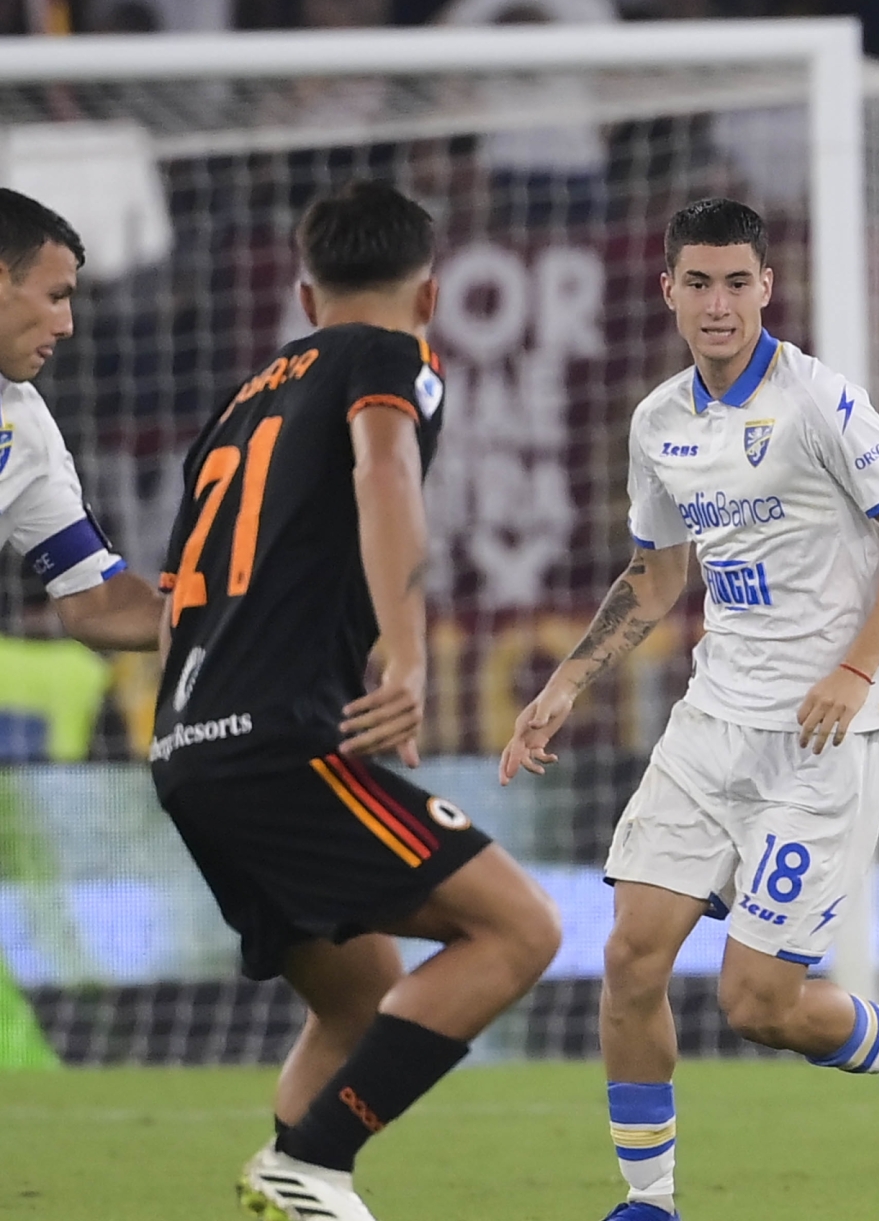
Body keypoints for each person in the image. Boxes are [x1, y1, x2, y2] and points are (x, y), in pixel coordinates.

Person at [497, 197, 879, 1220]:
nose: (719, 303)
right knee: (627, 955)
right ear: (667, 291)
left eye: (737, 282)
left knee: (758, 1005)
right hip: (712, 723)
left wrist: (857, 665)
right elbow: (655, 576)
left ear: (767, 287)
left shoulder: (822, 403)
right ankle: (649, 1201)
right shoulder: (658, 421)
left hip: (820, 738)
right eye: (698, 283)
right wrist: (566, 682)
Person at [152, 180, 563, 1221]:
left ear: (303, 295)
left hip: (189, 751)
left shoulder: (237, 407)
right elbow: (385, 472)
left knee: (356, 1005)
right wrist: (410, 659)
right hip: (281, 740)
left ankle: (296, 1174)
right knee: (518, 932)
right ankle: (311, 1161)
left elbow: (177, 604)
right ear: (428, 300)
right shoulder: (390, 356)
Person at [0, 189, 161, 653]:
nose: (67, 325)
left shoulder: (24, 429)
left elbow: (98, 600)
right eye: (55, 297)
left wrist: (237, 622)